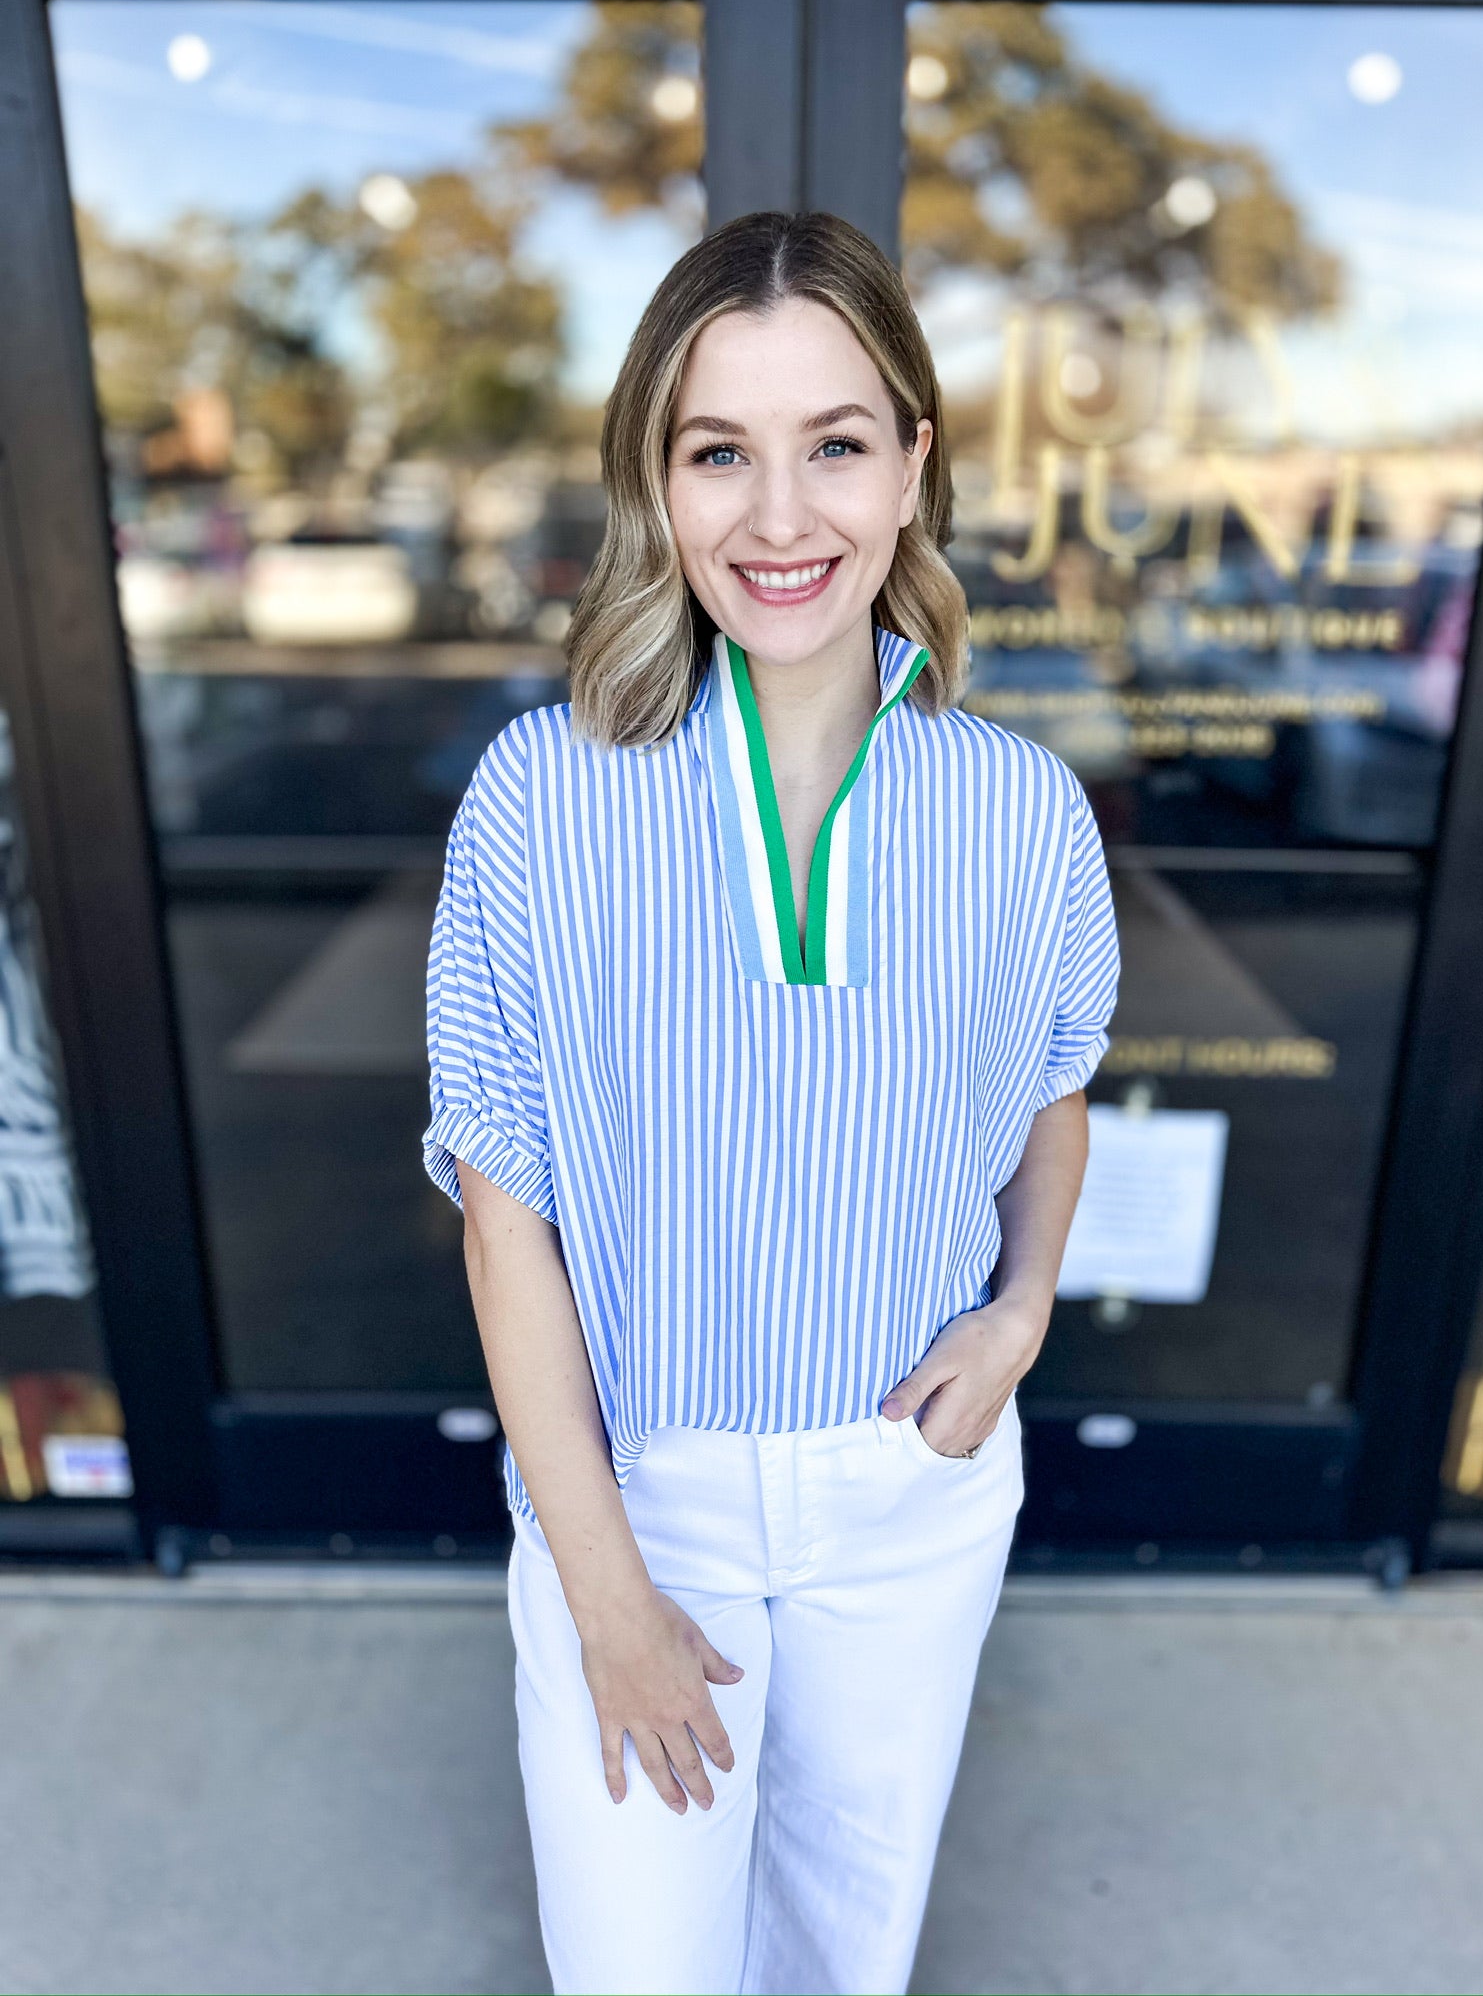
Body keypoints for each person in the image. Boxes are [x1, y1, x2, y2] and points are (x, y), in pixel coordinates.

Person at [423, 211, 1119, 1996]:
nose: (781, 516)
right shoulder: (537, 796)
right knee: (643, 1966)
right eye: (719, 451)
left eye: (836, 445)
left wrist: (1023, 1311)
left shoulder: (1023, 808)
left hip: (918, 1492)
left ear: (913, 469)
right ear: (655, 480)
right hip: (641, 1500)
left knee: (843, 1952)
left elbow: (1051, 1095)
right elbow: (509, 1219)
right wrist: (606, 1595)